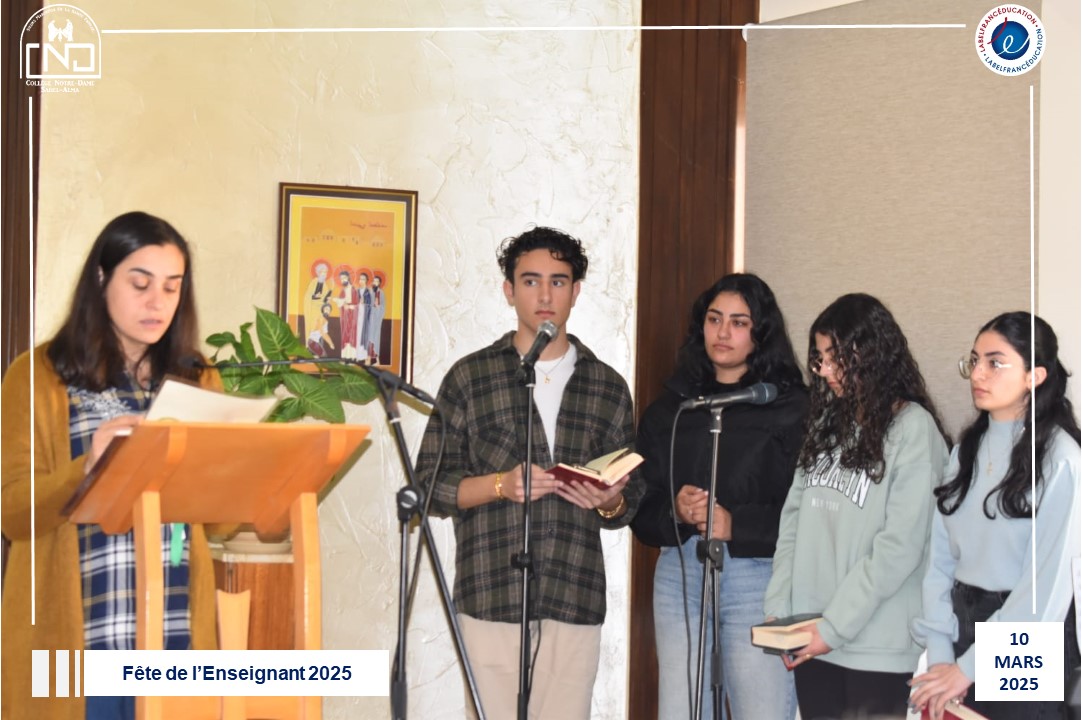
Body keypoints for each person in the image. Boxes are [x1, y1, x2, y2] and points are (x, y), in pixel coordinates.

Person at [1, 211, 223, 720]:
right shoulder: (38, 376)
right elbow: (12, 512)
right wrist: (86, 468)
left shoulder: (197, 378)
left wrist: (233, 471)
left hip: (174, 638)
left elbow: (217, 522)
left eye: (171, 287)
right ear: (102, 279)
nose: (157, 302)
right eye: (140, 284)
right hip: (82, 643)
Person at [414, 226, 643, 719]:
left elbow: (630, 500)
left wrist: (609, 500)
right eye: (531, 281)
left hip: (573, 590)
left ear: (575, 292)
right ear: (509, 290)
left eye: (558, 282)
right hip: (491, 589)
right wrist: (502, 485)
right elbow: (428, 487)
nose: (544, 295)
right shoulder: (471, 377)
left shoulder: (606, 386)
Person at [764, 292, 951, 719]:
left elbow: (898, 548)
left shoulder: (912, 429)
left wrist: (833, 627)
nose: (825, 371)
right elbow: (792, 524)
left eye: (837, 358)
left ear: (872, 355)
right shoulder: (826, 424)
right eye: (820, 359)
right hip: (810, 636)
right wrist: (779, 614)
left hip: (875, 646)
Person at [631, 273, 808, 719]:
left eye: (738, 322)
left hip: (758, 576)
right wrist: (675, 510)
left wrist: (737, 525)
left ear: (760, 333)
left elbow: (809, 515)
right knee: (682, 709)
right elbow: (639, 505)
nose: (723, 332)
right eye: (714, 319)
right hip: (680, 575)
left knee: (761, 709)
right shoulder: (673, 408)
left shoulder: (792, 407)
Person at [910, 312, 1081, 720]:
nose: (977, 374)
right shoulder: (965, 452)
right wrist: (940, 652)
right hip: (959, 627)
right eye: (974, 361)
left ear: (1034, 376)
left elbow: (1044, 593)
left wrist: (967, 669)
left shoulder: (1062, 460)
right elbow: (939, 562)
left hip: (1027, 642)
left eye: (995, 362)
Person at [302, 260, 334, 351]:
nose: (324, 274)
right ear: (318, 272)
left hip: (321, 311)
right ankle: (311, 350)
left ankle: (319, 350)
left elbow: (325, 298)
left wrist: (330, 293)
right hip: (313, 310)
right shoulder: (314, 282)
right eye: (323, 272)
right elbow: (308, 296)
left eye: (326, 272)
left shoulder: (325, 285)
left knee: (321, 330)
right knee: (313, 329)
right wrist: (314, 296)